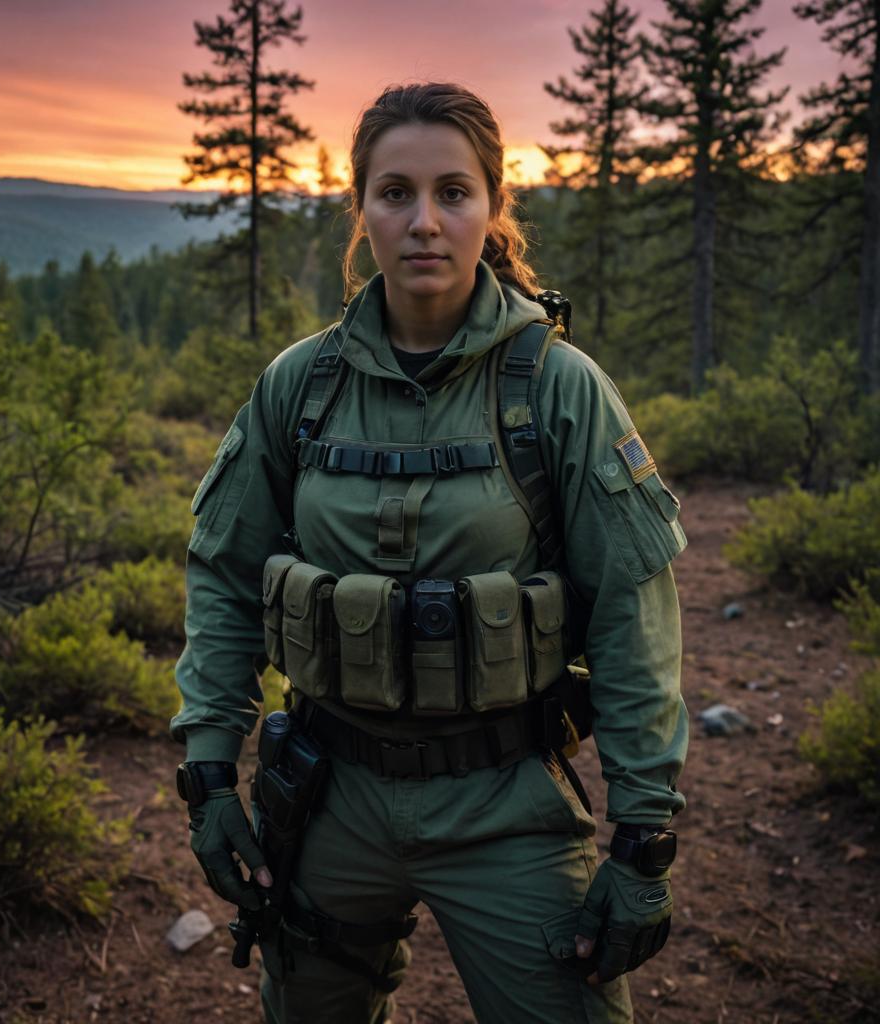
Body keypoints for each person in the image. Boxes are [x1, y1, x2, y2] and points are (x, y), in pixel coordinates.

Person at [171, 81, 689, 1024]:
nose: (423, 222)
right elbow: (225, 574)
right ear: (360, 207)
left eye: (453, 192)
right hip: (328, 797)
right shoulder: (300, 386)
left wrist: (644, 834)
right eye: (394, 192)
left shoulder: (559, 390)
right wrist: (208, 769)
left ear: (492, 208)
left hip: (505, 806)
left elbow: (632, 610)